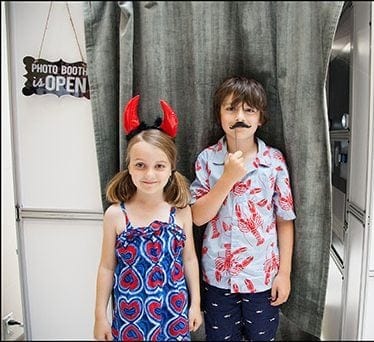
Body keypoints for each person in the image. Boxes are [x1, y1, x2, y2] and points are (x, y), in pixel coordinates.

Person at [190, 76, 296, 341]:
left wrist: (284, 274)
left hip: (262, 278)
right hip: (217, 279)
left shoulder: (273, 161)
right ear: (219, 114)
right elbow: (198, 217)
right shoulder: (207, 159)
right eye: (231, 108)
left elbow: (285, 220)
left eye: (249, 110)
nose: (240, 116)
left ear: (261, 118)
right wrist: (227, 178)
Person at [94, 95, 202, 341]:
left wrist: (195, 303)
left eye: (159, 166)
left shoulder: (181, 211)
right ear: (129, 167)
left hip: (173, 316)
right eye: (140, 165)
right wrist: (100, 316)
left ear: (171, 168)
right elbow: (106, 267)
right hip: (129, 319)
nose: (150, 174)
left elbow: (189, 260)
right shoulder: (115, 215)